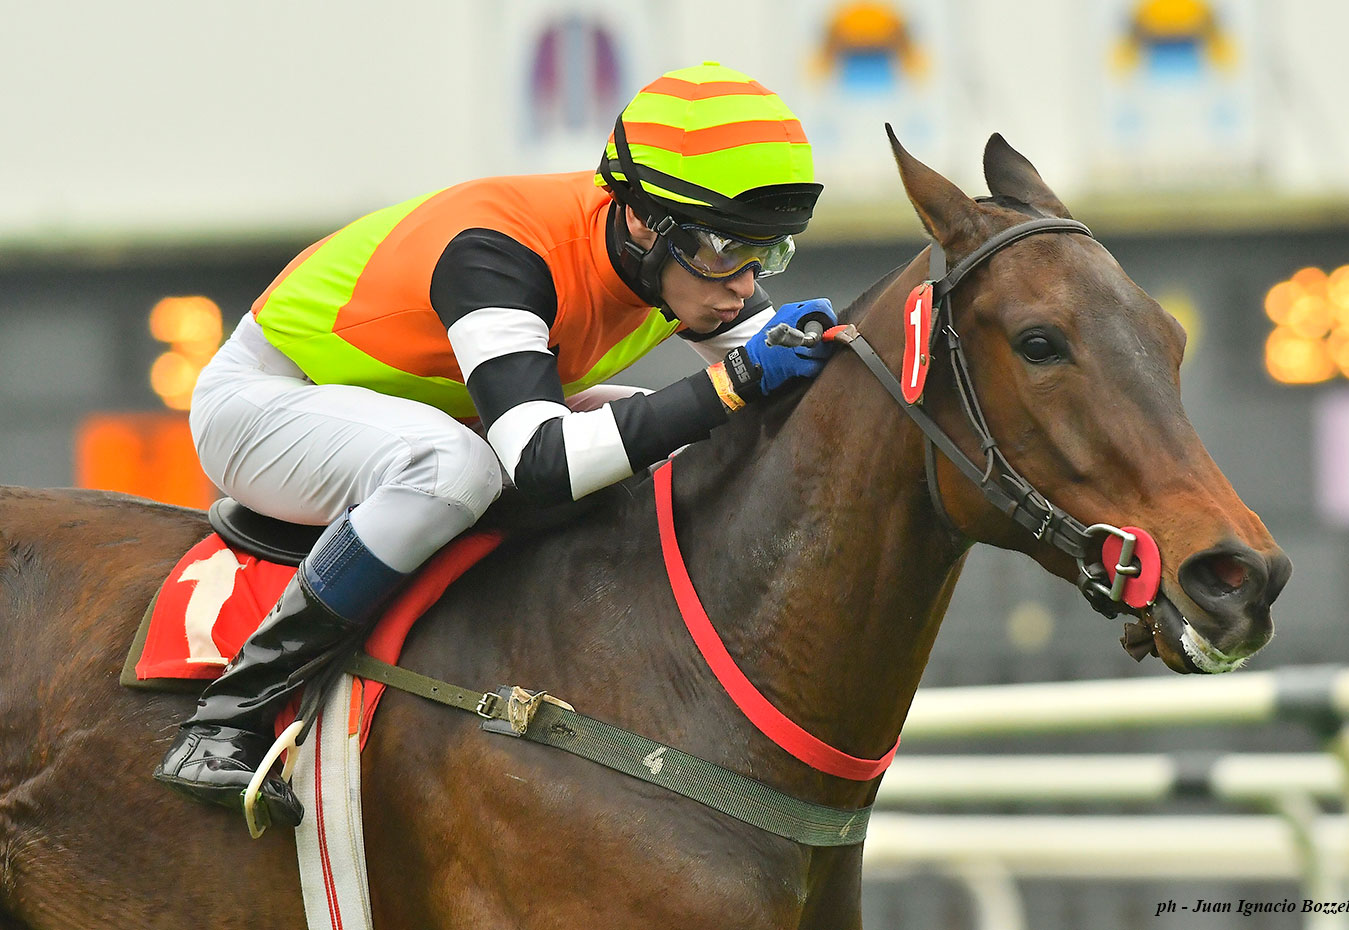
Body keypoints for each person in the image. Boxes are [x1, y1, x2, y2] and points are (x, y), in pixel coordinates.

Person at [154, 61, 838, 827]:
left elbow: (787, 390)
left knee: (663, 433)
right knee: (453, 470)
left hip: (427, 406)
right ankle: (227, 717)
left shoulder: (676, 254)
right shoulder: (498, 252)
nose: (743, 285)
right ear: (646, 223)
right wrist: (732, 380)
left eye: (767, 253)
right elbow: (542, 465)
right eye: (723, 250)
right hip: (267, 400)